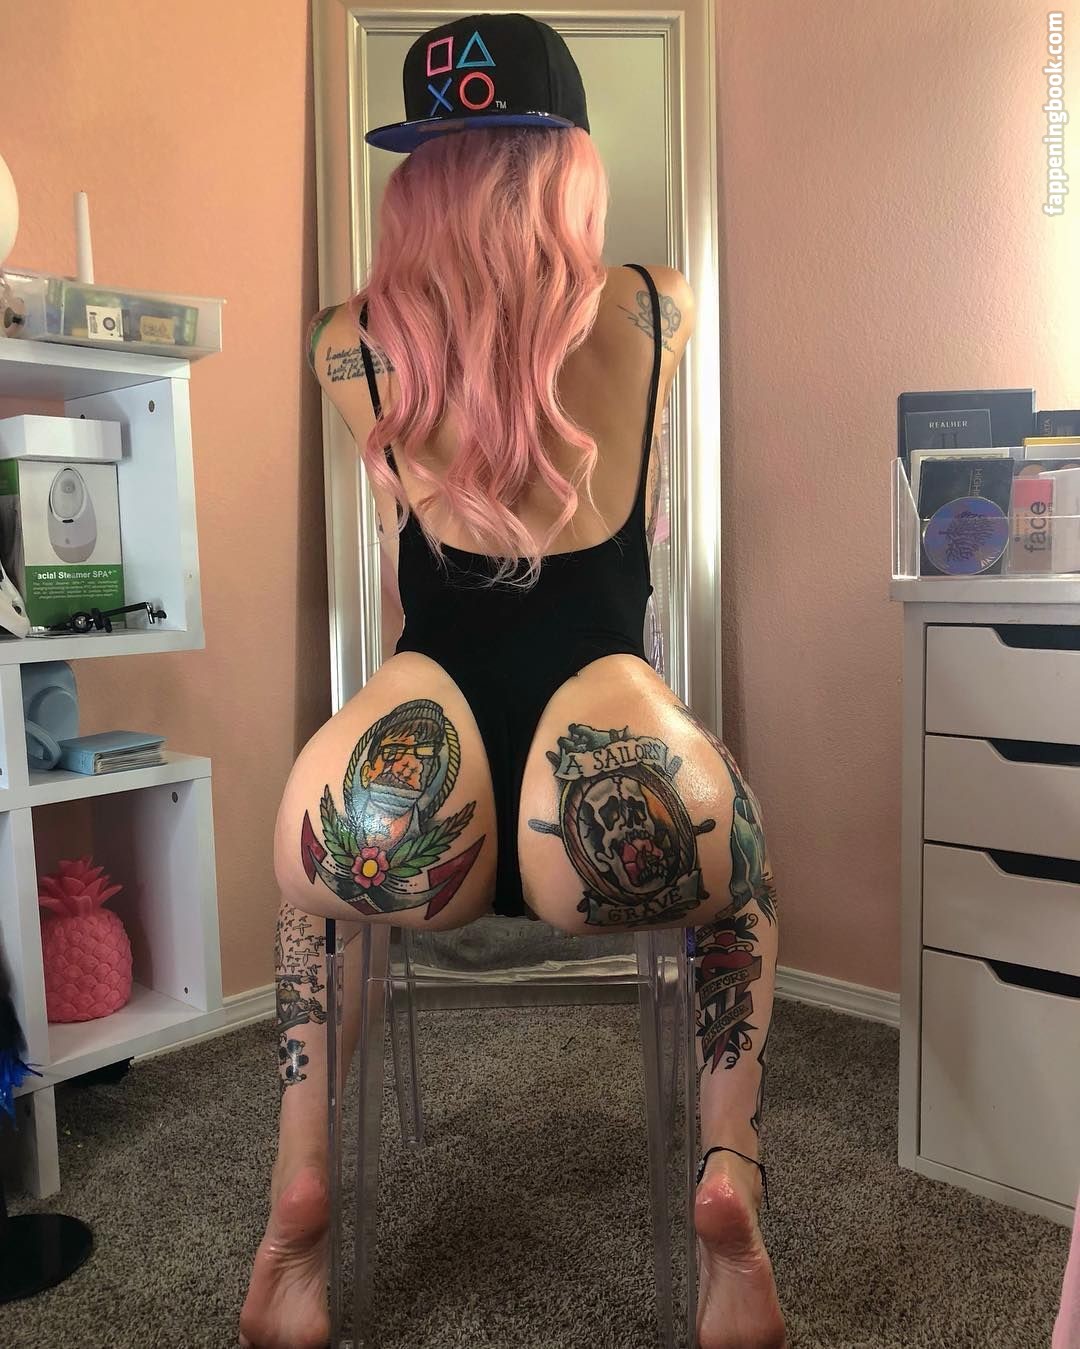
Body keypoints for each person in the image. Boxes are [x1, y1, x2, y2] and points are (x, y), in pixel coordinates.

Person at [240, 14, 785, 1349]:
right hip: (609, 747)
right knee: (741, 875)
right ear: (571, 165)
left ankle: (297, 1196)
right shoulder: (659, 304)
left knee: (319, 896)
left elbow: (402, 523)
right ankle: (729, 1174)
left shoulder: (344, 342)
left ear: (415, 181)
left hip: (415, 763)